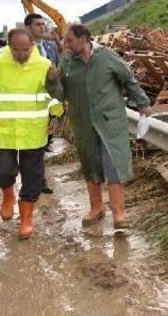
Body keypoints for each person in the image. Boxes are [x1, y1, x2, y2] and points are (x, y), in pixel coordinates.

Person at [50, 24, 151, 229]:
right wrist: (52, 82)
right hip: (83, 123)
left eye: (69, 40)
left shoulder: (107, 56)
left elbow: (129, 79)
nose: (65, 44)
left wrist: (143, 104)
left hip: (110, 122)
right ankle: (96, 208)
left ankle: (119, 214)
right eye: (65, 40)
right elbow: (59, 95)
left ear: (84, 38)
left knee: (114, 166)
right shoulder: (67, 64)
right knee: (91, 167)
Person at [0, 28, 63, 239]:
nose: (22, 54)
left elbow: (52, 95)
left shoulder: (44, 65)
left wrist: (56, 115)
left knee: (33, 176)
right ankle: (8, 194)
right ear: (8, 46)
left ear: (33, 44)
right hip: (4, 130)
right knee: (5, 170)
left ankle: (26, 219)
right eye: (17, 50)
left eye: (26, 49)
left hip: (34, 130)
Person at [24, 13, 59, 194]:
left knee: (44, 141)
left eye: (43, 24)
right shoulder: (21, 49)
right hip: (28, 103)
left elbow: (57, 72)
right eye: (38, 24)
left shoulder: (49, 47)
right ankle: (36, 180)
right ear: (28, 27)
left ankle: (38, 178)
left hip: (48, 101)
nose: (42, 27)